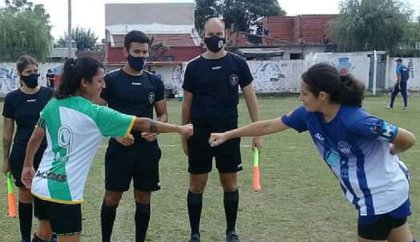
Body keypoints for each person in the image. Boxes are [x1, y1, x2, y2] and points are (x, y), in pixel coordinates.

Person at [209, 63, 417, 242]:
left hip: (380, 196)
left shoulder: (356, 120)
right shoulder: (309, 115)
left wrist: (393, 150)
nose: (300, 98)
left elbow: (408, 139)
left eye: (305, 93)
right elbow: (268, 126)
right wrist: (228, 134)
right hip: (383, 192)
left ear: (322, 96)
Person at [20, 56, 193, 242]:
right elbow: (143, 123)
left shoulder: (53, 103)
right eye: (99, 81)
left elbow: (35, 137)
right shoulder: (96, 113)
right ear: (84, 82)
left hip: (42, 183)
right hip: (64, 191)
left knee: (43, 235)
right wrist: (179, 129)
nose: (103, 86)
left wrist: (28, 165)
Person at [182, 17, 262, 242]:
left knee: (230, 183)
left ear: (225, 34)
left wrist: (257, 132)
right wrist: (183, 134)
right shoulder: (194, 67)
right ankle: (195, 234)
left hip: (229, 133)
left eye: (218, 34)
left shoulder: (237, 63)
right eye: (210, 35)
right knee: (197, 185)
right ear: (203, 36)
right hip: (200, 134)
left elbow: (251, 99)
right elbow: (187, 103)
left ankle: (231, 231)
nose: (215, 39)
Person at [97, 30, 168, 242]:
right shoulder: (111, 80)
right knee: (112, 198)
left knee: (143, 198)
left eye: (144, 52)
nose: (141, 56)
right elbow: (97, 115)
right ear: (125, 51)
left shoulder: (154, 82)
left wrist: (155, 130)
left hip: (147, 150)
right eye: (136, 51)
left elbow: (163, 114)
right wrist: (115, 133)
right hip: (120, 149)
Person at [2, 55, 54, 242]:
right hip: (21, 153)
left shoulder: (49, 94)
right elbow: (8, 132)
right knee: (25, 194)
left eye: (35, 71)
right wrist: (5, 159)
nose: (33, 75)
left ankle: (49, 235)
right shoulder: (12, 98)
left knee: (47, 195)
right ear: (19, 74)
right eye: (28, 72)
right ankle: (25, 238)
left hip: (47, 152)